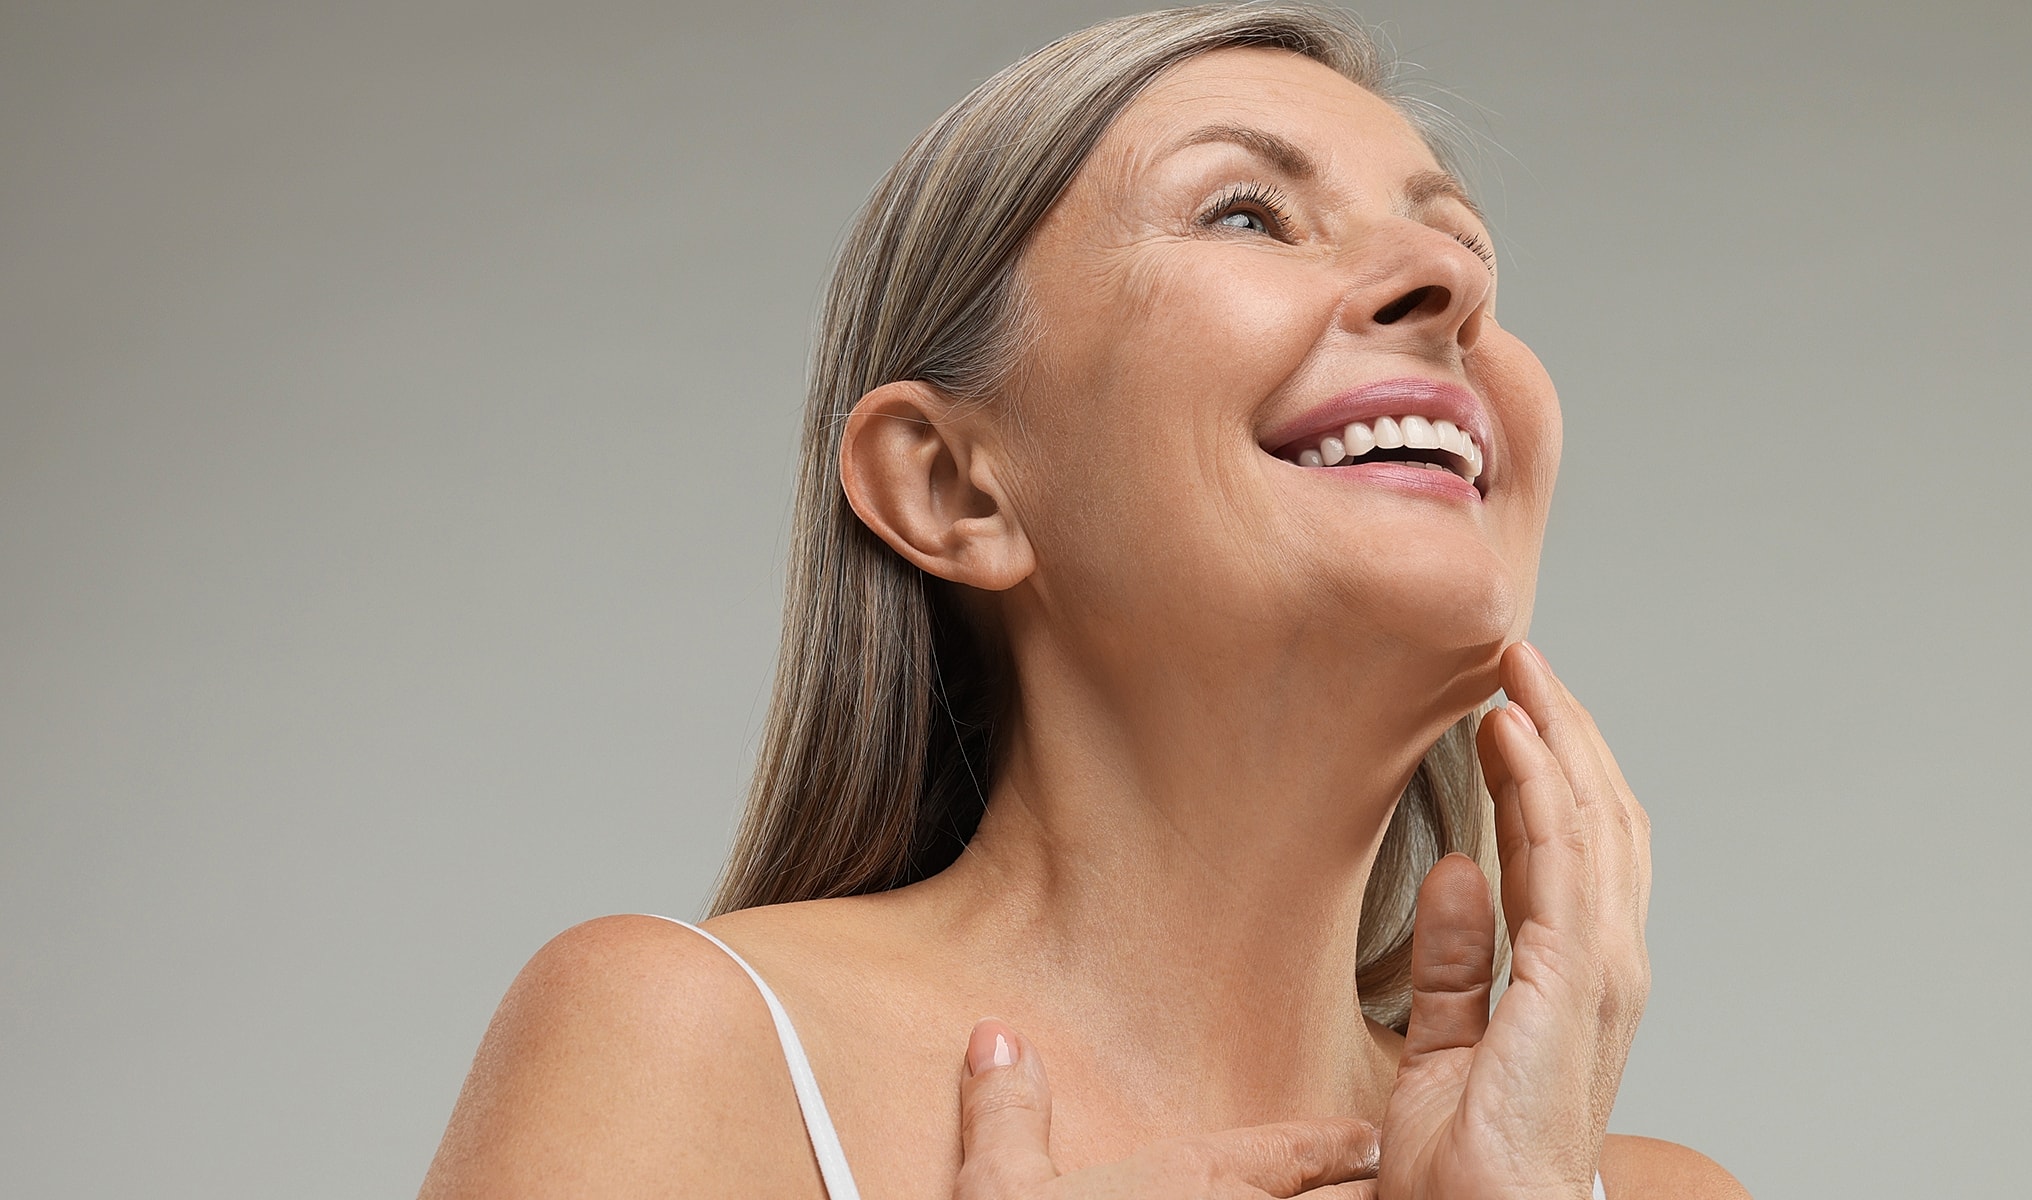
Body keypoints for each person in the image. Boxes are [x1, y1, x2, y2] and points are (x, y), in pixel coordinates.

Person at [420, 5, 1748, 1197]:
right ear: (953, 488)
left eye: (1465, 248)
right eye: (1246, 212)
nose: (1448, 284)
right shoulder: (678, 1046)